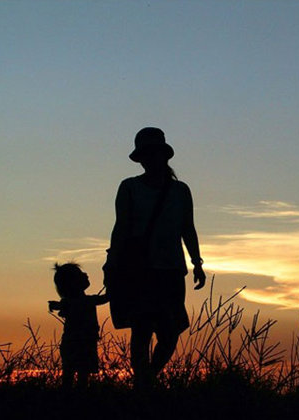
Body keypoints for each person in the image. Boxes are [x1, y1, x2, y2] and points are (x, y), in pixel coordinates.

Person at [103, 127, 206, 388]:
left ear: (164, 155)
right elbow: (121, 227)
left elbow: (188, 228)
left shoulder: (181, 191)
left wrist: (197, 262)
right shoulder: (129, 187)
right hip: (138, 269)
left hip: (171, 269)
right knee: (141, 329)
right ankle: (144, 384)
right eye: (145, 154)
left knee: (170, 333)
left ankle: (146, 378)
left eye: (154, 153)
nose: (150, 158)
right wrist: (112, 262)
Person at [48, 262, 109, 389]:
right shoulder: (83, 301)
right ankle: (78, 396)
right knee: (82, 374)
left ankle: (68, 396)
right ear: (73, 283)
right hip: (83, 342)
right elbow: (105, 298)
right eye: (81, 275)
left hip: (73, 342)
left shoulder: (69, 302)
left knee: (70, 373)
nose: (85, 275)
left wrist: (56, 305)